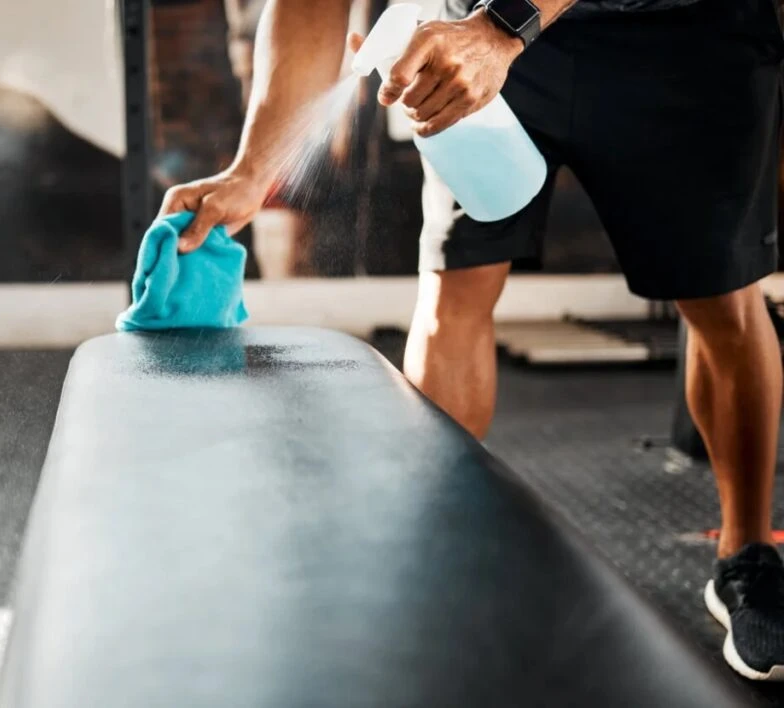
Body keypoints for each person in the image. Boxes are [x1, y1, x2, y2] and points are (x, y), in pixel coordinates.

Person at [160, 0, 784, 680]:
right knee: (455, 284)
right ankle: (434, 547)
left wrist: (505, 27)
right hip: (483, 28)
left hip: (682, 38)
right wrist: (255, 169)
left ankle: (747, 552)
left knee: (720, 296)